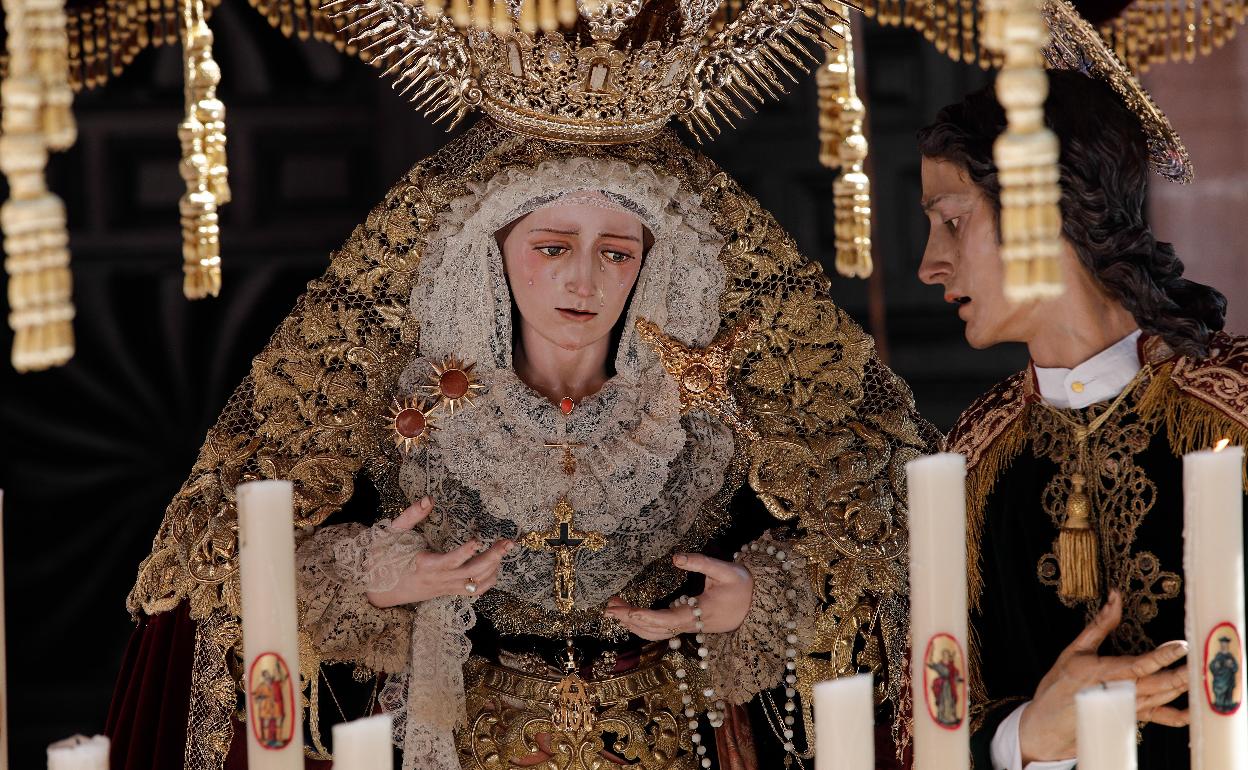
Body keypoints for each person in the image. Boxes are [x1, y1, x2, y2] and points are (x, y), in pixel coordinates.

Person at [103, 0, 938, 763]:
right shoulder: (400, 397)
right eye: (550, 247)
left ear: (650, 264)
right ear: (493, 254)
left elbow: (886, 538)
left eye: (618, 252)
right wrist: (366, 574)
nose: (586, 281)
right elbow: (230, 554)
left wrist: (756, 599)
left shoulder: (720, 401)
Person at [916, 66, 1248, 769]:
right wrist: (1025, 740)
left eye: (952, 221)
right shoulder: (973, 459)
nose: (930, 264)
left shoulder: (1238, 410)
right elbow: (938, 717)